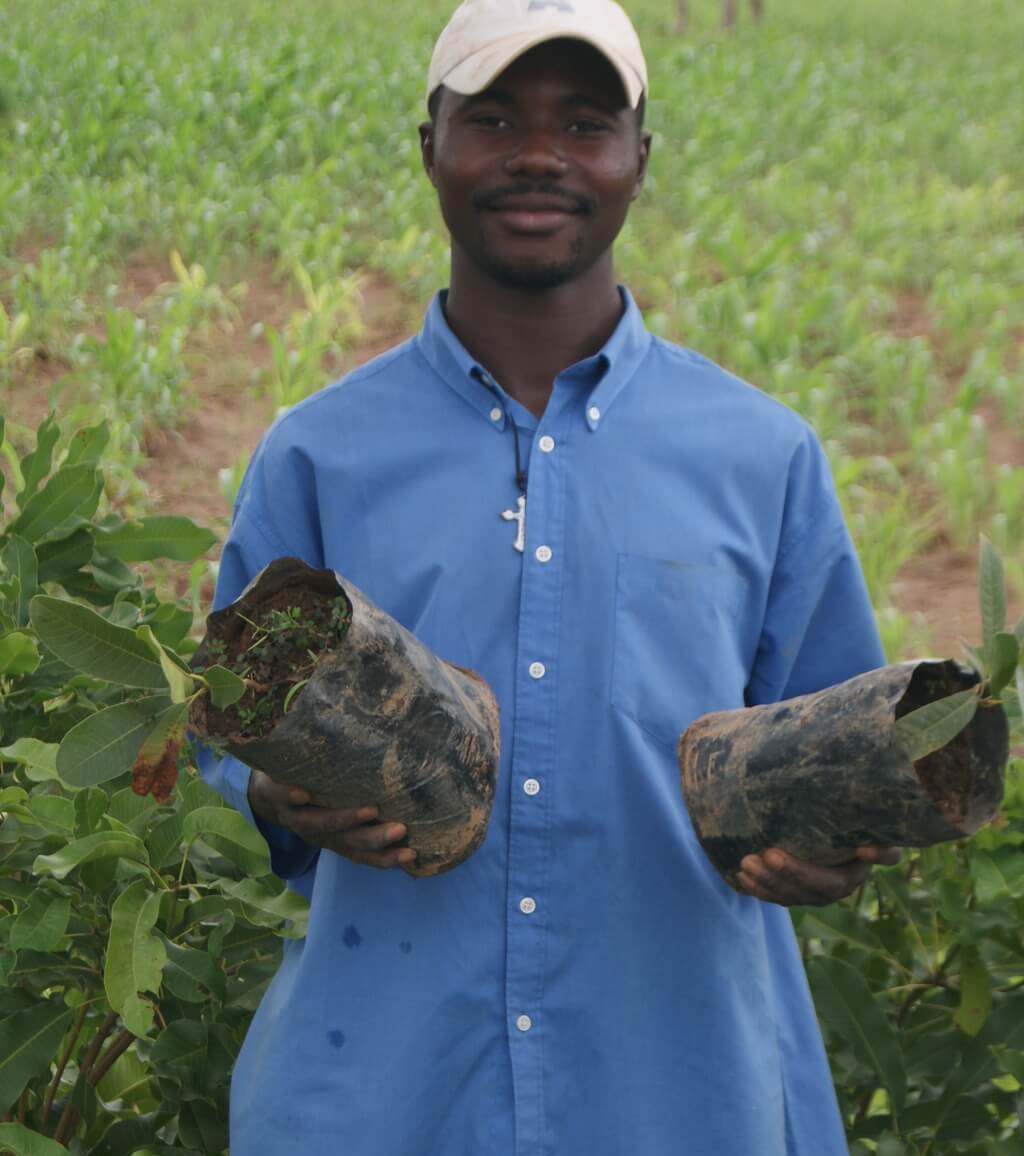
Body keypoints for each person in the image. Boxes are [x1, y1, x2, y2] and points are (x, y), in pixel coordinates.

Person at [200, 1, 898, 1151]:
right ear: (429, 148)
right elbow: (223, 756)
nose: (538, 155)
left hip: (682, 1098)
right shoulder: (319, 454)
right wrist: (273, 798)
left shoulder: (761, 456)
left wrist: (830, 848)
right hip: (378, 1097)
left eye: (583, 123)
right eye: (491, 119)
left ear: (638, 160)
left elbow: (841, 752)